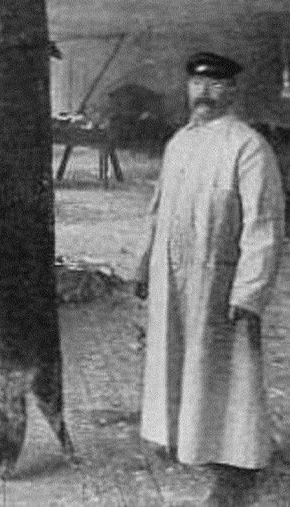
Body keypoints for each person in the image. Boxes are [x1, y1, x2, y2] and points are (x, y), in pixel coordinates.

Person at [134, 52, 283, 505]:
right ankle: (185, 436)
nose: (205, 92)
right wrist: (143, 265)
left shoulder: (248, 146)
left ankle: (237, 465)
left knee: (228, 370)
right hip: (173, 274)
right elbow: (158, 209)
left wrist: (250, 291)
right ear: (188, 88)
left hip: (221, 283)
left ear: (232, 91)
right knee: (176, 357)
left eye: (217, 85)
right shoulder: (179, 141)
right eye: (198, 83)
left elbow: (265, 224)